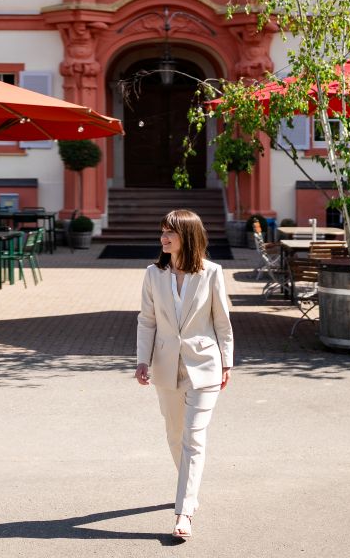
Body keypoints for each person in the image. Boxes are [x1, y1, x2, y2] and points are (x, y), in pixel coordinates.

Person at [135, 209, 234, 540]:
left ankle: (184, 511)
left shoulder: (212, 273)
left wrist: (227, 361)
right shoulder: (153, 274)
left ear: (187, 237)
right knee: (175, 435)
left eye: (170, 233)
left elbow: (222, 321)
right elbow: (147, 320)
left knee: (193, 436)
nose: (163, 238)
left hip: (204, 366)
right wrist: (142, 360)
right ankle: (188, 486)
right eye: (162, 231)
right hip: (165, 365)